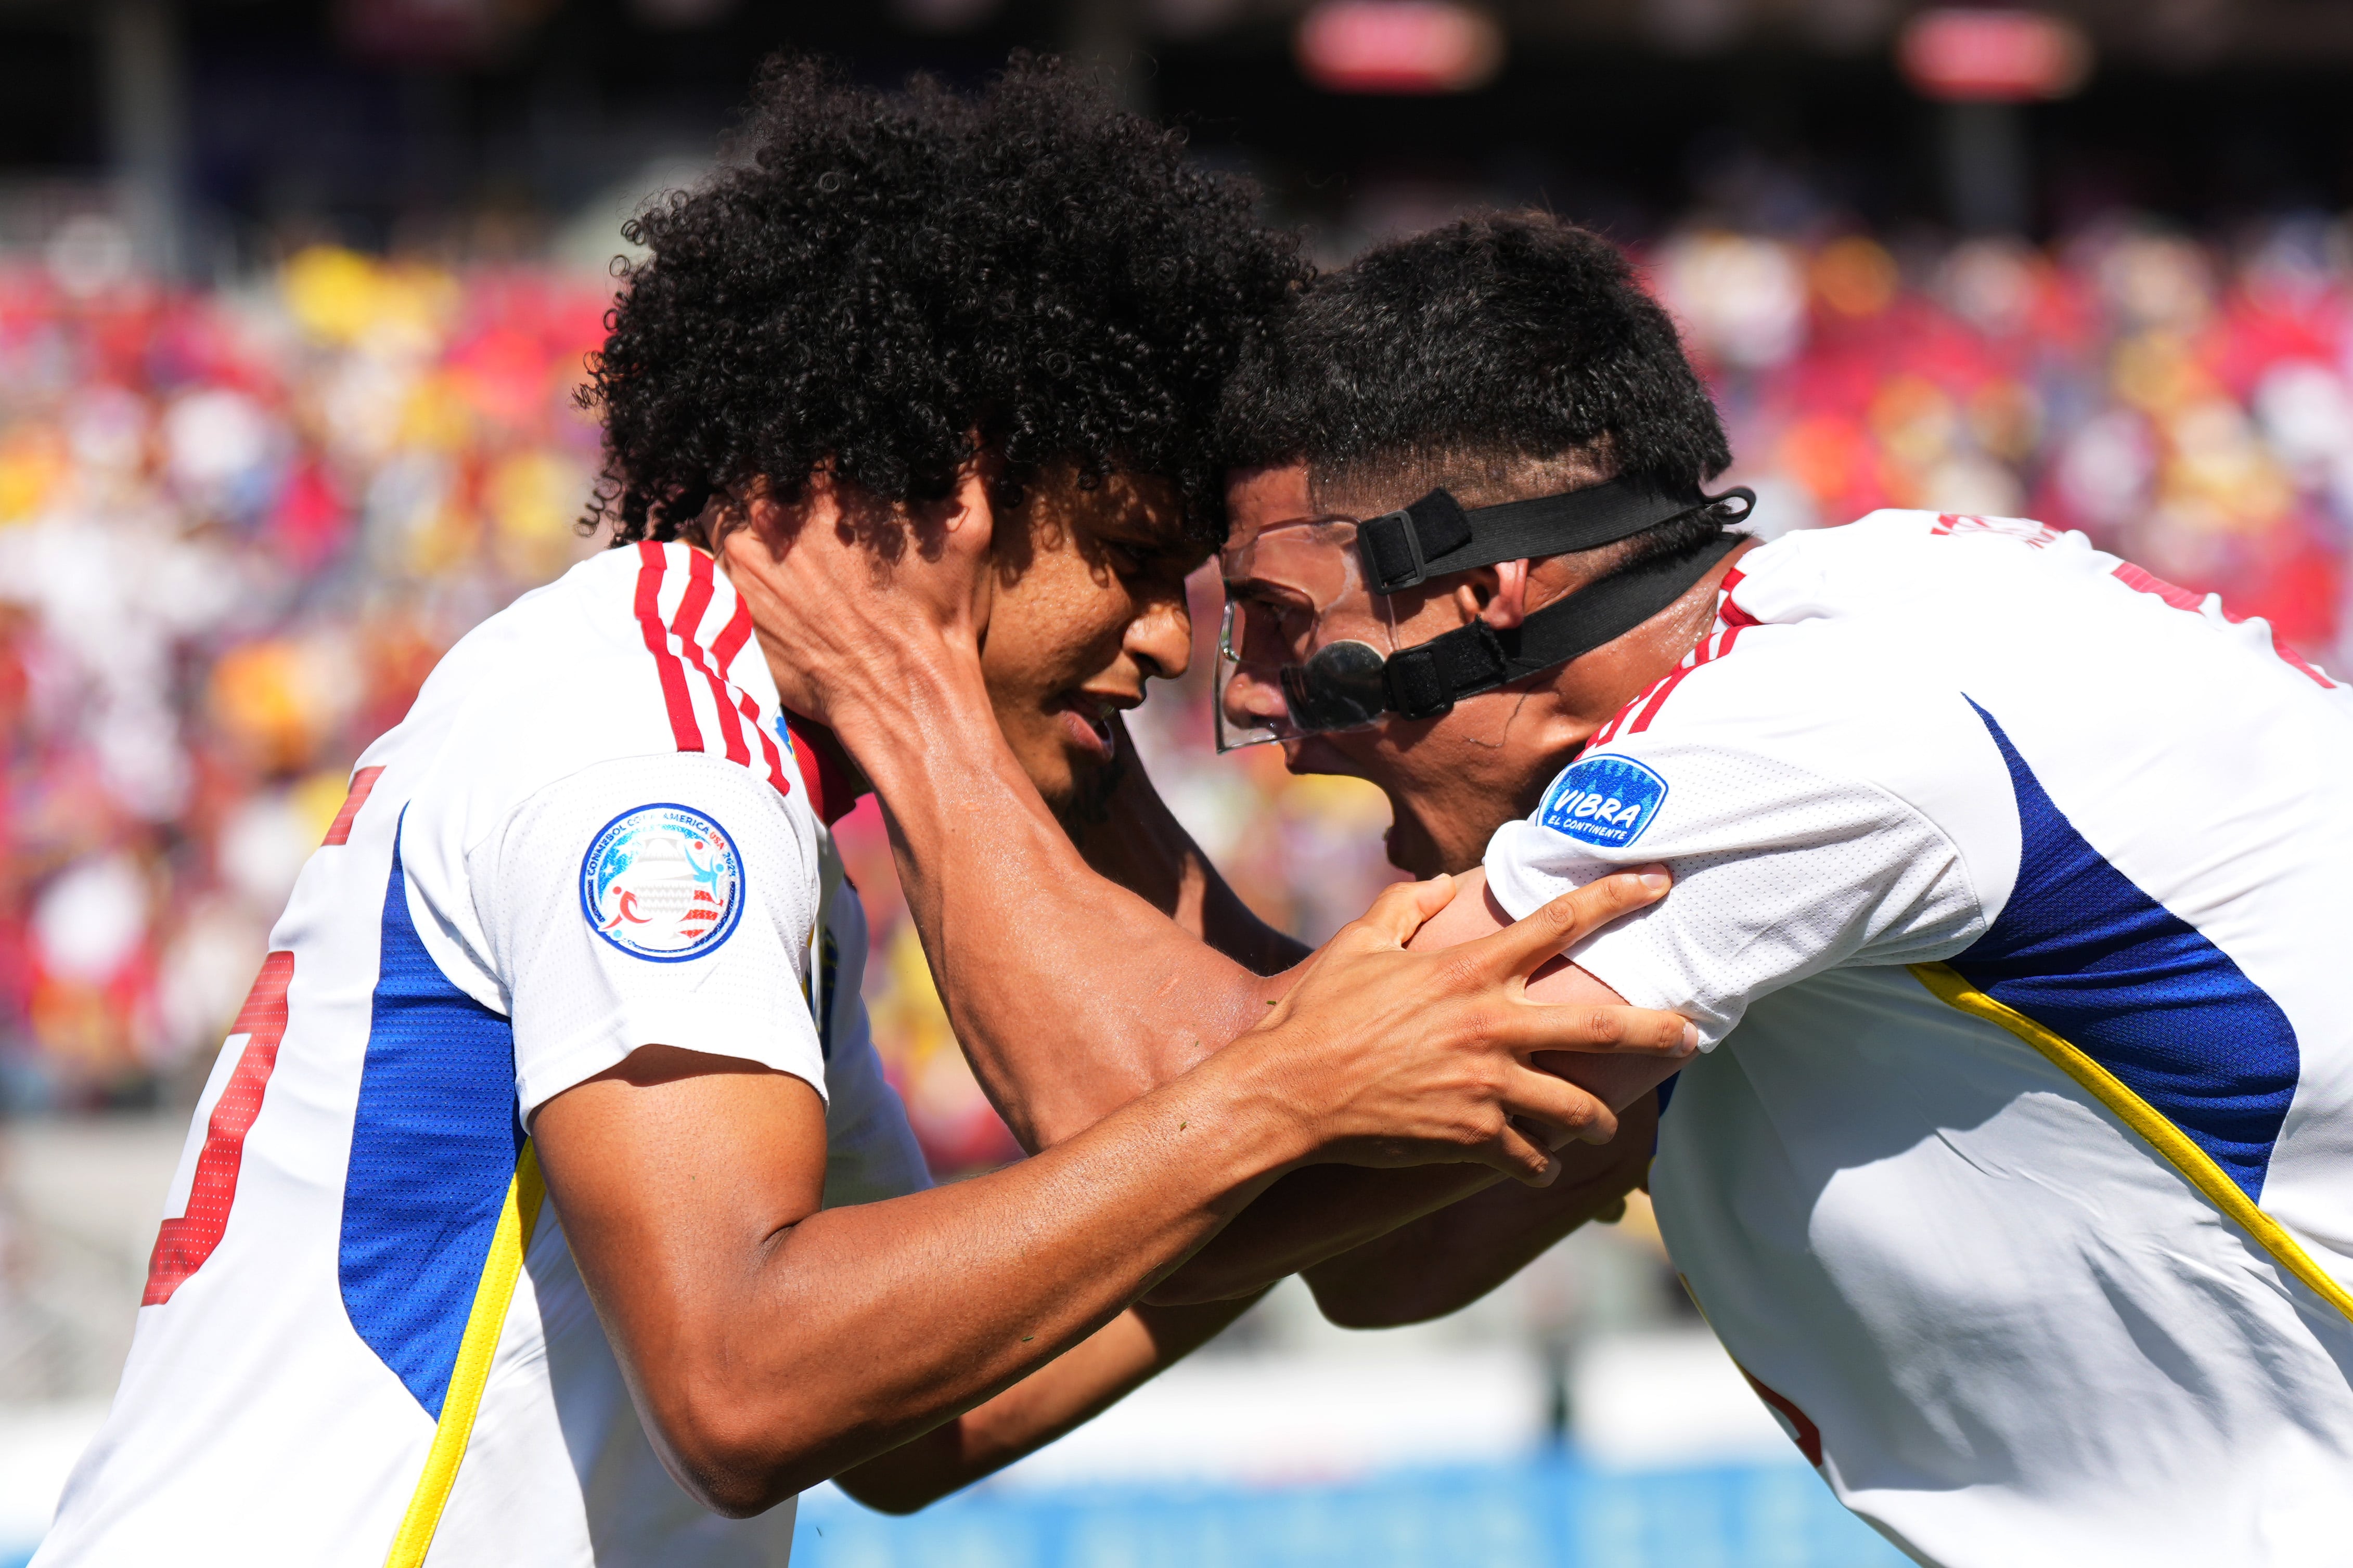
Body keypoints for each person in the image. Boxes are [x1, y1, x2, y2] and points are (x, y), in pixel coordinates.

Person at [31, 72, 1696, 1568]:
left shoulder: (728, 755)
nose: (1170, 639)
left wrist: (1359, 1149)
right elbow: (747, 1384)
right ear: (942, 490)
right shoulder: (650, 753)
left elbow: (910, 1422)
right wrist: (1277, 1102)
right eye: (1123, 556)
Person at [749, 210, 2353, 1565]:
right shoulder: (1836, 683)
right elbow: (1384, 1252)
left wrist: (919, 693)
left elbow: (1168, 1123)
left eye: (1279, 625)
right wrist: (1080, 767)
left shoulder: (1800, 744)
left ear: (1478, 584)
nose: (1242, 703)